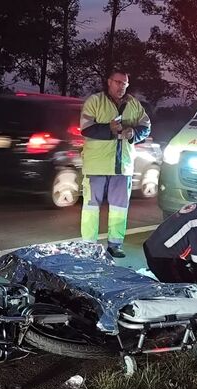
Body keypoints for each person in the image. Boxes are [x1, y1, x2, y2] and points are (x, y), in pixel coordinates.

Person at [79, 70, 151, 258]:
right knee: (91, 206)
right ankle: (88, 245)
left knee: (119, 206)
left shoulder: (134, 104)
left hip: (123, 165)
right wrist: (109, 130)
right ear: (109, 82)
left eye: (124, 83)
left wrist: (133, 133)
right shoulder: (95, 101)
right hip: (97, 164)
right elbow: (86, 129)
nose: (121, 86)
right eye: (118, 82)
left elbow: (146, 127)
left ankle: (115, 244)